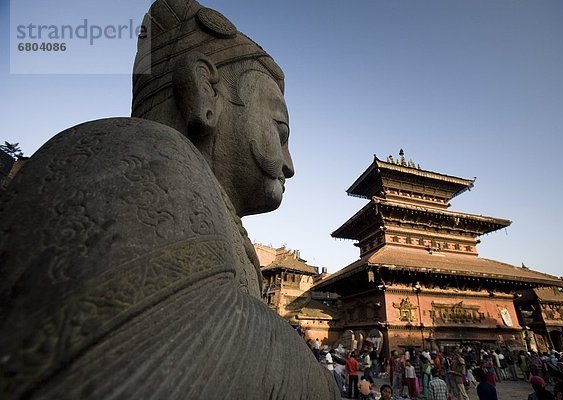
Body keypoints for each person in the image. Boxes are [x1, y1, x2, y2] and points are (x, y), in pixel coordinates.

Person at [0, 1, 340, 399]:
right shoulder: (142, 152)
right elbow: (179, 345)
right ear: (204, 90)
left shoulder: (215, 211)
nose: (289, 164)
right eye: (280, 132)